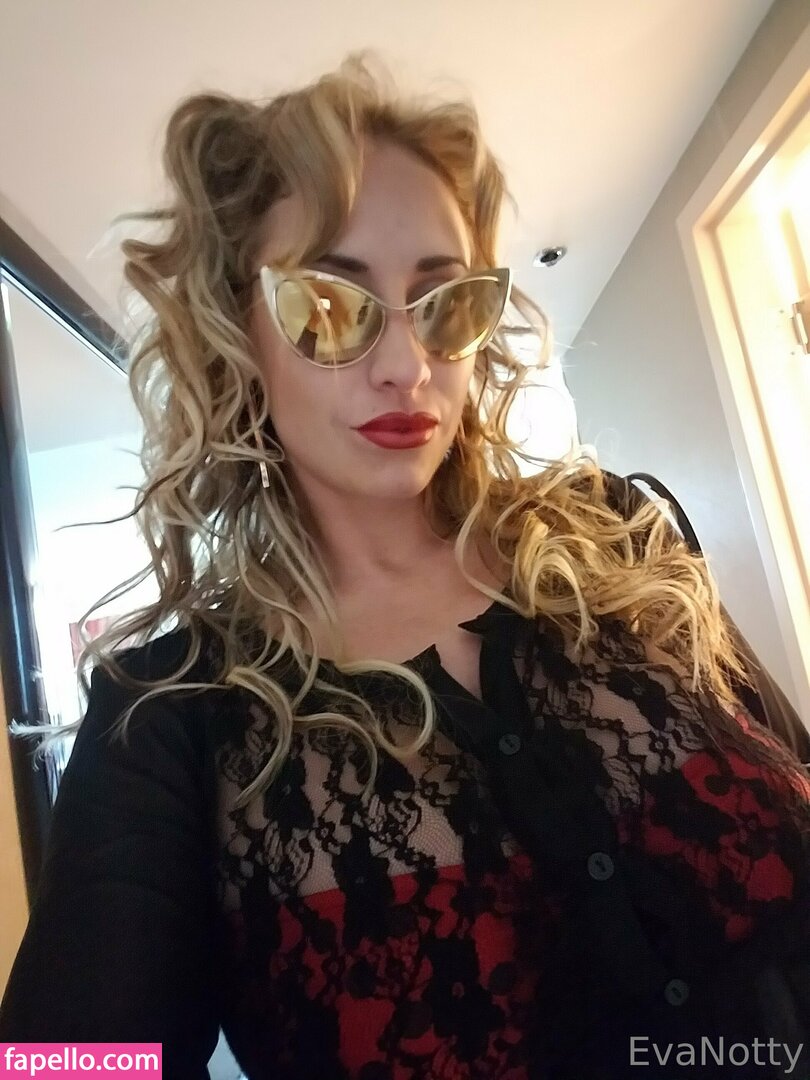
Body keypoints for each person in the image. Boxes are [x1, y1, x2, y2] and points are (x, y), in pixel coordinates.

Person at [1, 55, 809, 1080]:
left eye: (444, 303)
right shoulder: (168, 721)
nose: (405, 364)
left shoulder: (618, 537)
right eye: (328, 307)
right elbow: (66, 1060)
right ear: (239, 333)